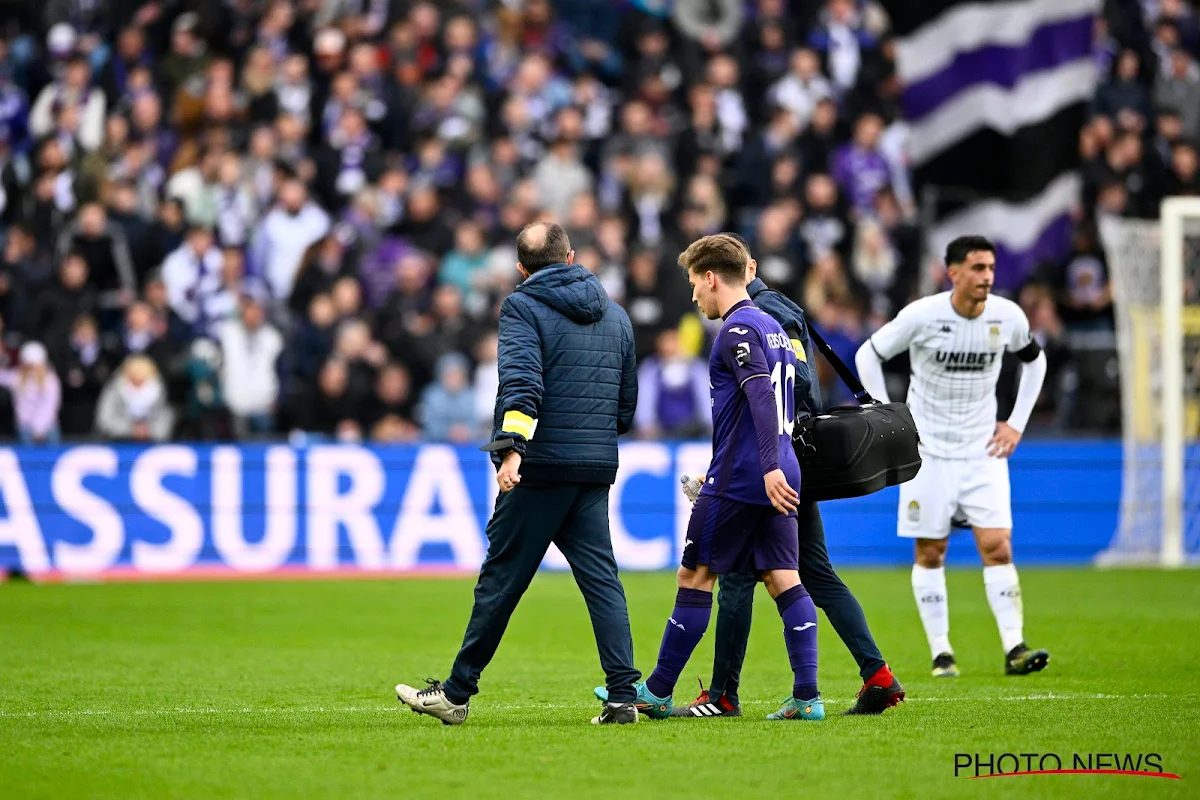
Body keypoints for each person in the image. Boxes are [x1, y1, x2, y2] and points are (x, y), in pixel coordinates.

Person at [396, 222, 642, 725]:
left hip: (541, 467)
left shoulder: (521, 307)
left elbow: (522, 383)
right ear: (571, 257)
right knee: (602, 581)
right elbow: (626, 406)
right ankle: (622, 697)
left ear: (520, 268)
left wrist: (512, 451)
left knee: (501, 581)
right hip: (594, 466)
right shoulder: (616, 315)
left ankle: (457, 695)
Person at [672, 239, 904, 719]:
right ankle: (876, 674)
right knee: (813, 572)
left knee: (736, 576)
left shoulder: (758, 314)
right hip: (785, 456)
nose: (696, 293)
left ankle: (722, 695)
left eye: (698, 280)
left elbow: (790, 387)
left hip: (772, 462)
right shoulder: (779, 309)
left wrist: (761, 457)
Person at [596, 233, 823, 722]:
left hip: (747, 476)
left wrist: (758, 468)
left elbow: (761, 395)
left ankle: (655, 692)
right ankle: (807, 696)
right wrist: (770, 465)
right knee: (785, 578)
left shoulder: (737, 331)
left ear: (712, 277)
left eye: (695, 284)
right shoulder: (775, 328)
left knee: (695, 575)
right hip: (782, 467)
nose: (694, 295)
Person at [854, 235, 1051, 678]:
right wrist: (887, 415)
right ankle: (942, 652)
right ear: (954, 272)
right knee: (931, 550)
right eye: (977, 268)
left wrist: (1016, 422)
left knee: (997, 545)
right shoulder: (923, 316)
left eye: (990, 269)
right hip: (929, 452)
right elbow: (868, 354)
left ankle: (1015, 647)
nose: (986, 277)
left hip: (983, 449)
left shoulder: (1007, 317)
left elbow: (1034, 362)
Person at [0, 342, 62, 444]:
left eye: (35, 365)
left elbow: (50, 405)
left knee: (52, 458)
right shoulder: (17, 377)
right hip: (25, 428)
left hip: (48, 428)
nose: (32, 368)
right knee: (26, 458)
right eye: (29, 365)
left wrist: (38, 429)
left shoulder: (50, 379)